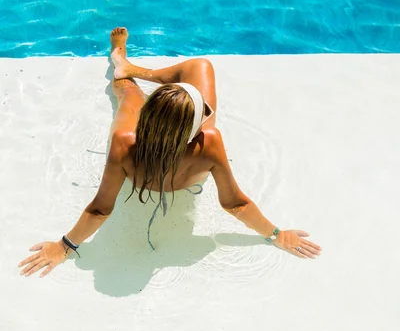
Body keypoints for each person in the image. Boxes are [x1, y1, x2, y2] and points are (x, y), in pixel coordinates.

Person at [19, 27, 322, 278]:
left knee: (126, 88)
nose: (208, 111)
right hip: (186, 163)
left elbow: (100, 209)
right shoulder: (209, 142)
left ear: (146, 116)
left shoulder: (125, 142)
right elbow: (236, 204)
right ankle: (130, 66)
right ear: (195, 128)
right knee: (200, 67)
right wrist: (276, 235)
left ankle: (123, 64)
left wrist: (63, 246)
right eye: (202, 112)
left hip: (144, 154)